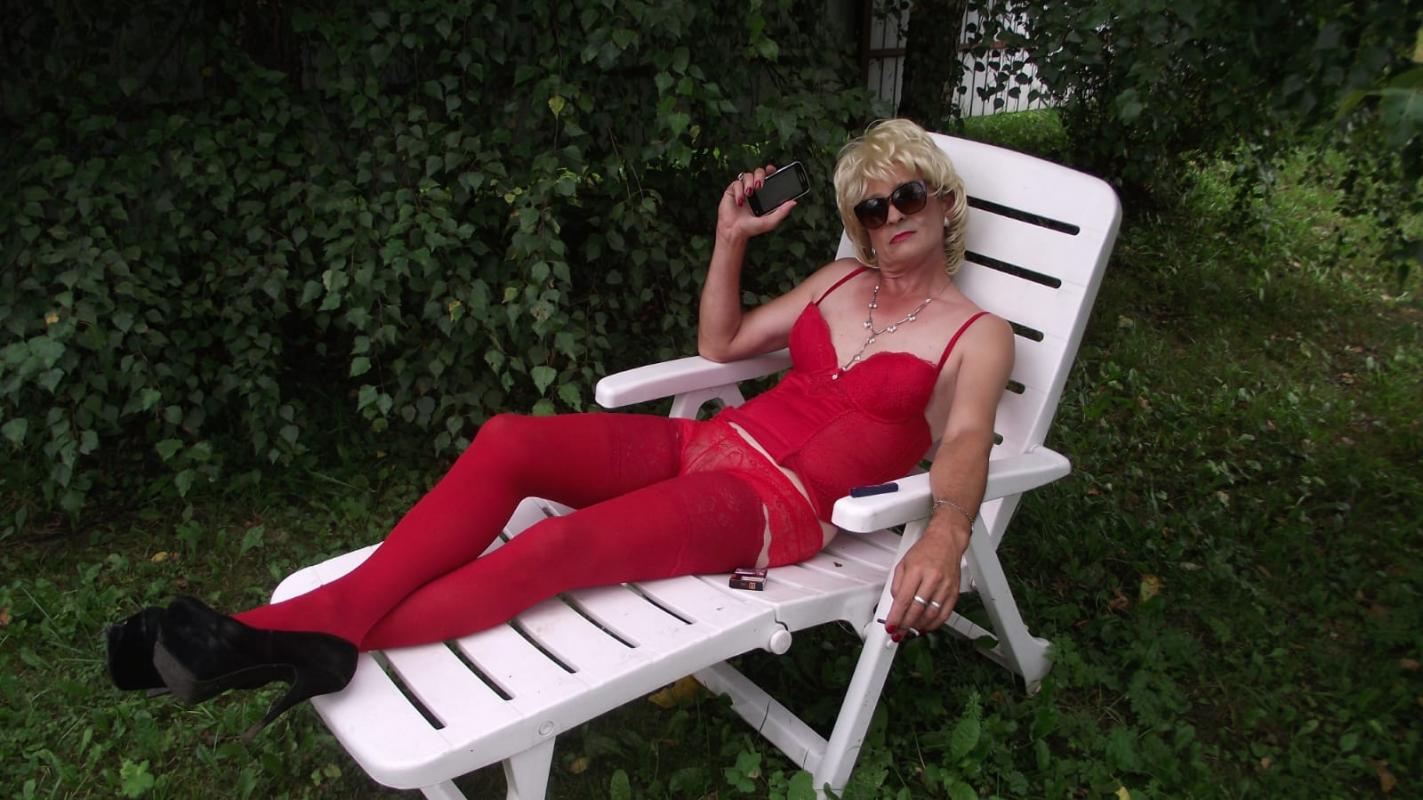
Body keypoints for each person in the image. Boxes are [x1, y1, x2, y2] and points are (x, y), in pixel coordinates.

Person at [105, 118, 1014, 736]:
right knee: (509, 438)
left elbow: (968, 437)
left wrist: (945, 528)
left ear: (942, 202)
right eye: (869, 208)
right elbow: (722, 343)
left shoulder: (976, 335)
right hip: (703, 443)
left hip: (770, 504)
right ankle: (292, 640)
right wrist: (730, 239)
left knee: (555, 547)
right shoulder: (839, 282)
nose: (889, 217)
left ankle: (252, 637)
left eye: (905, 196)